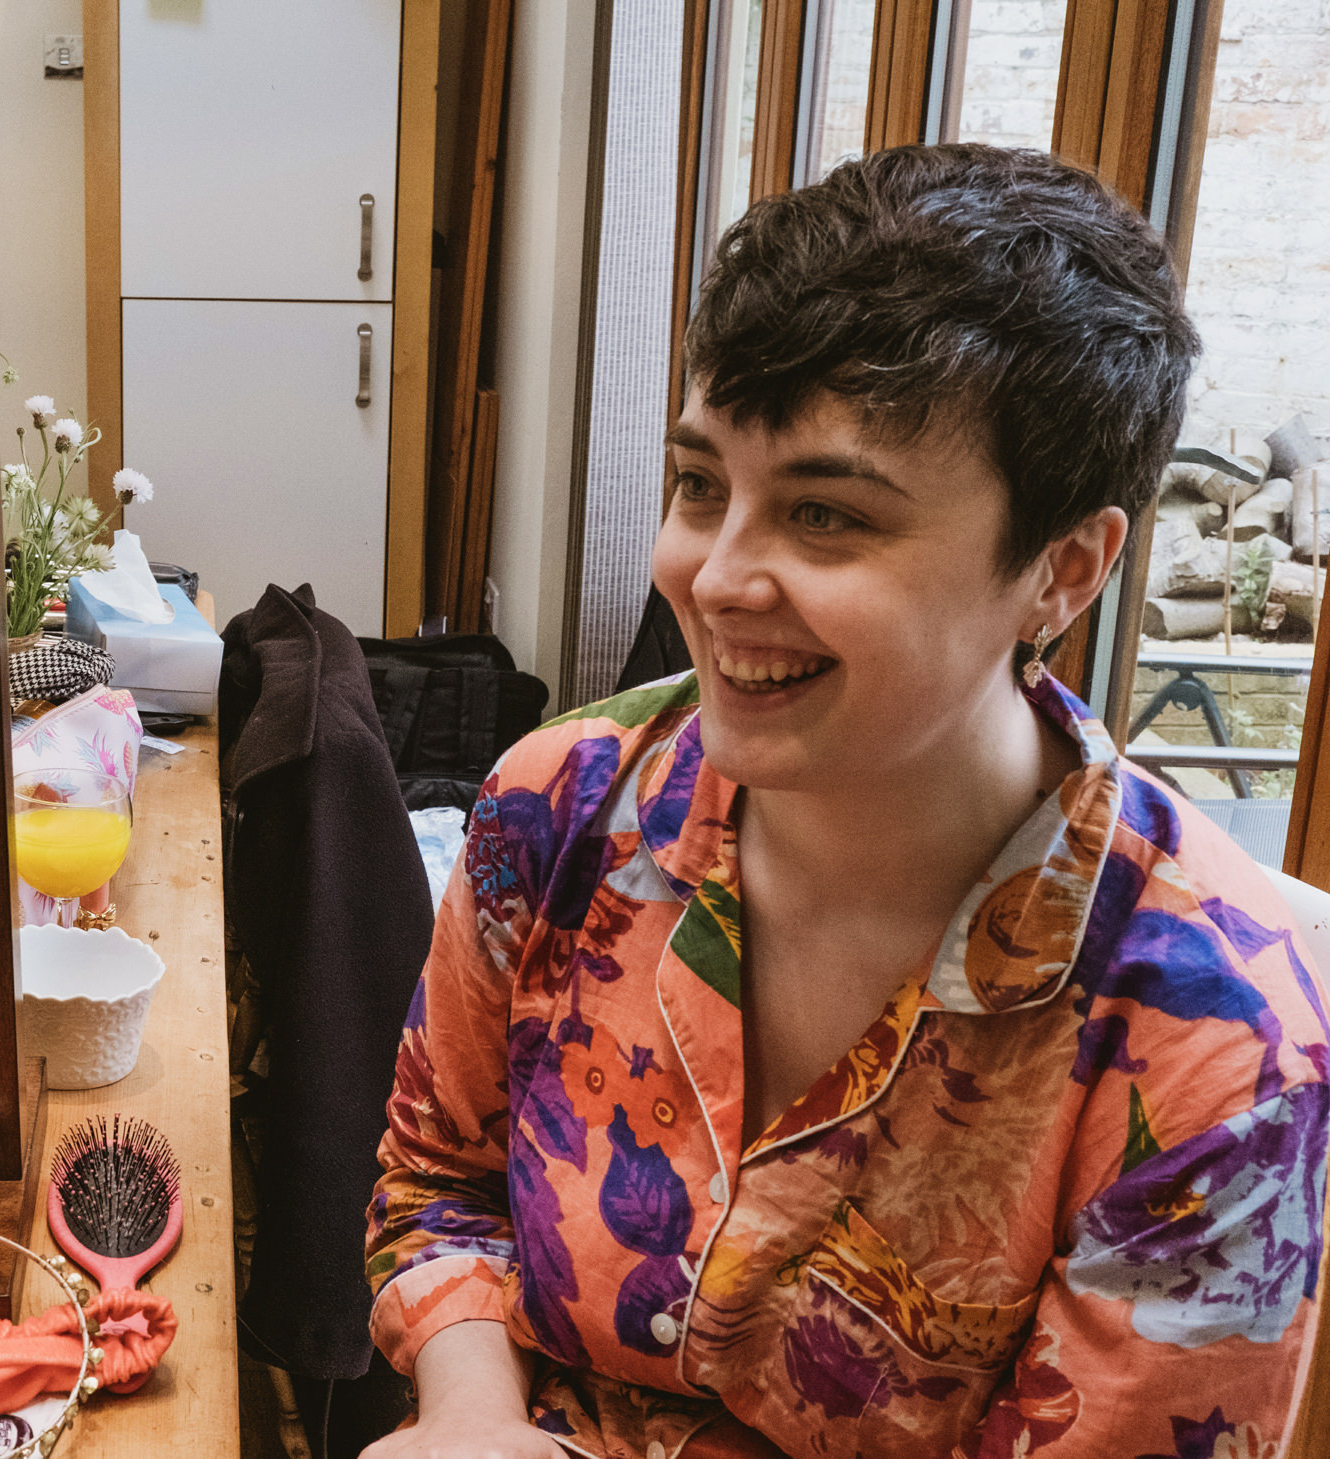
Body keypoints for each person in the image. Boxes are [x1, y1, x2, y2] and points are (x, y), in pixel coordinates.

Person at [363, 145, 1329, 1458]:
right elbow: (440, 1177)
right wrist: (470, 1415)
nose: (715, 576)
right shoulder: (561, 803)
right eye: (702, 485)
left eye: (825, 514)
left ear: (1062, 569)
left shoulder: (1212, 1049)